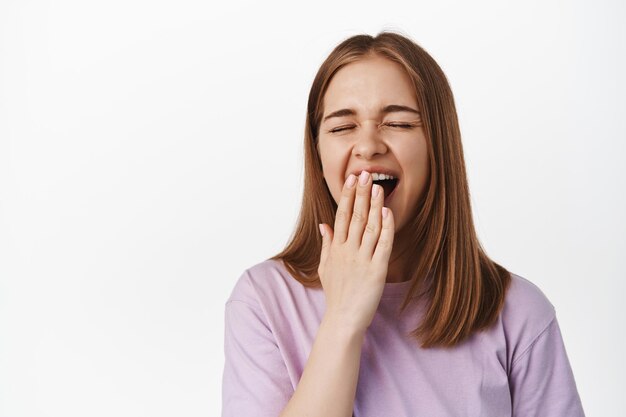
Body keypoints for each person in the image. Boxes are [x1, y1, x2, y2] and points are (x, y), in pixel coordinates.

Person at [221, 31, 585, 417]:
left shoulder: (520, 313)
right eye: (342, 127)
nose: (368, 145)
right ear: (318, 154)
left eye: (397, 123)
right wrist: (343, 317)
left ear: (438, 146)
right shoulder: (262, 300)